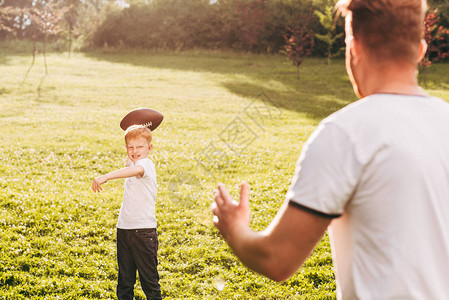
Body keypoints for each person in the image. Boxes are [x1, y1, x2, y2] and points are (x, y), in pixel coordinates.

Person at [211, 0, 449, 299]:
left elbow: (277, 258)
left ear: (353, 47)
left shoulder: (345, 134)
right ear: (420, 50)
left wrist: (235, 229)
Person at [92, 125, 162, 300]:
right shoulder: (132, 161)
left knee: (150, 284)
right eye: (130, 147)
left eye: (140, 147)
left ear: (149, 148)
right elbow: (130, 163)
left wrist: (106, 176)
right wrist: (136, 127)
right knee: (124, 282)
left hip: (144, 233)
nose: (135, 151)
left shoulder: (146, 165)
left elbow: (135, 169)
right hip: (124, 229)